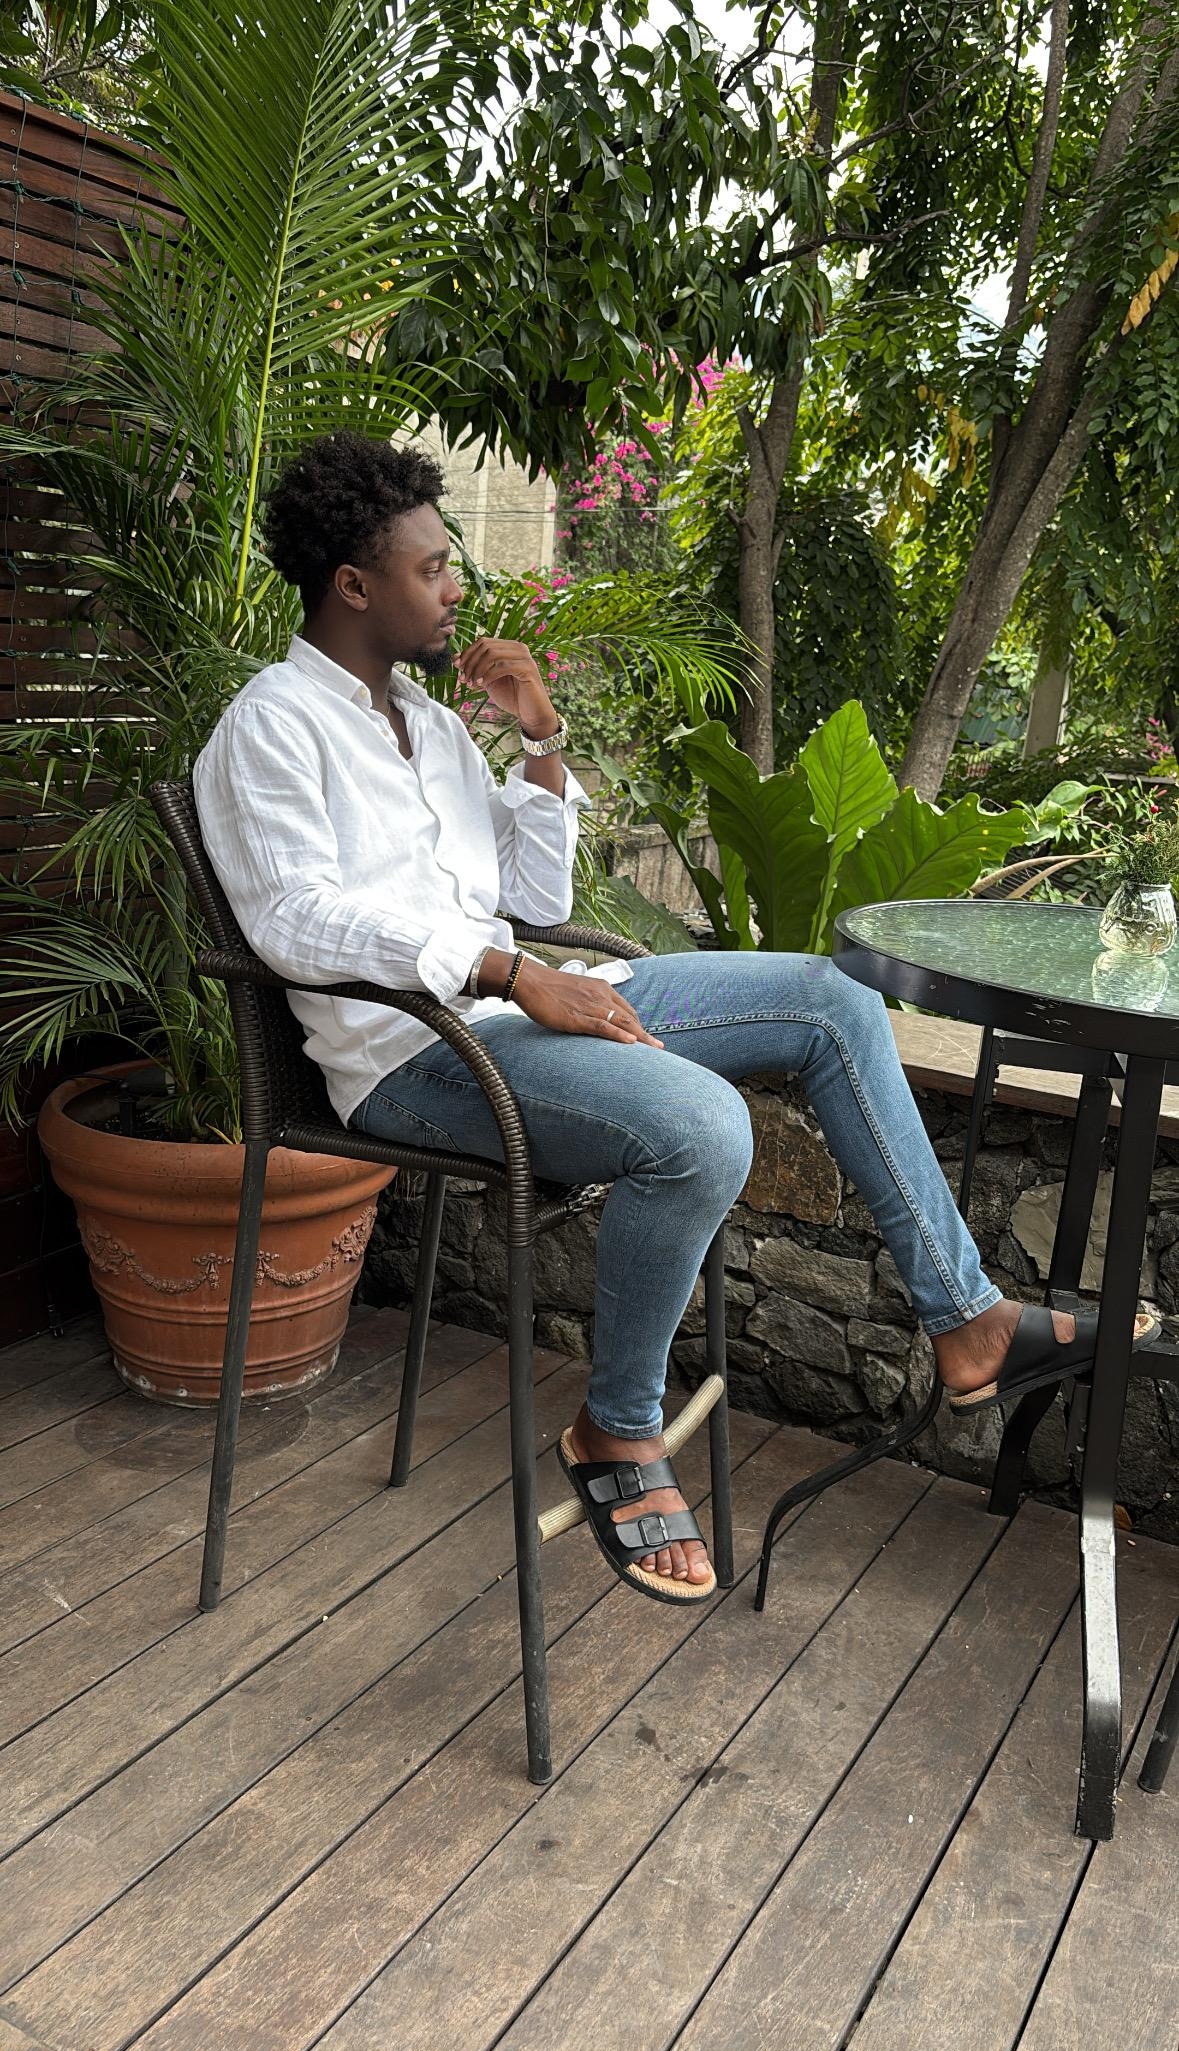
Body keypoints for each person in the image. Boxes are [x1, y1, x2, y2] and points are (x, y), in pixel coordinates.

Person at [194, 431, 1155, 1608]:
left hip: (515, 1004)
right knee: (700, 1127)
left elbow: (536, 892)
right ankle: (616, 1426)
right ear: (353, 583)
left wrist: (540, 739)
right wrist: (509, 972)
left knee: (833, 998)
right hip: (416, 1055)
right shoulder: (270, 725)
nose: (454, 588)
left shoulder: (433, 726)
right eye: (431, 567)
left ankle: (968, 1322)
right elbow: (293, 918)